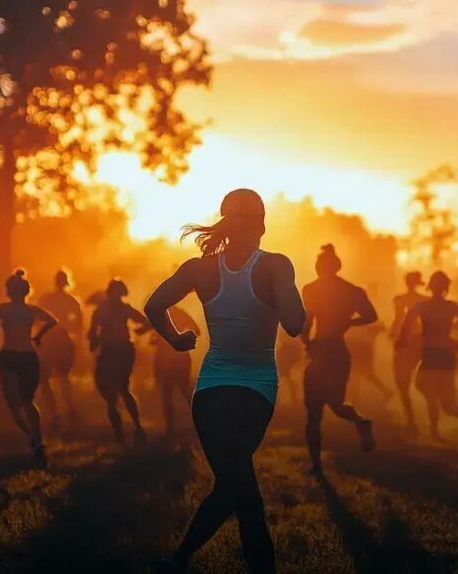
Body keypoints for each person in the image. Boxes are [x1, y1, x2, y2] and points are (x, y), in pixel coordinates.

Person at [145, 188, 305, 574]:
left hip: (210, 391)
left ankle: (178, 559)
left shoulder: (199, 268)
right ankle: (183, 559)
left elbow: (153, 305)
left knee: (234, 482)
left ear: (225, 221)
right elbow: (296, 325)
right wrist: (288, 297)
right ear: (262, 224)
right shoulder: (276, 265)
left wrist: (176, 340)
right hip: (256, 389)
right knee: (237, 485)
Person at [302, 244, 377, 477]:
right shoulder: (351, 290)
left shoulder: (311, 289)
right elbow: (371, 315)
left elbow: (307, 322)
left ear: (321, 267)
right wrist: (348, 322)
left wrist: (307, 343)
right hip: (338, 350)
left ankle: (316, 466)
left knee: (314, 414)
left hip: (322, 349)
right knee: (336, 404)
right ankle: (360, 421)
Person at [398, 271, 458, 441]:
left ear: (431, 288)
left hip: (432, 354)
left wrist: (404, 343)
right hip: (447, 355)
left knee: (427, 389)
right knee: (448, 404)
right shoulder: (452, 307)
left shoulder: (422, 307)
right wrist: (456, 341)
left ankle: (436, 430)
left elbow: (404, 329)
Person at [0, 269, 57, 465]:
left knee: (13, 404)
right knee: (28, 401)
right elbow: (53, 321)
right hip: (28, 356)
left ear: (8, 291)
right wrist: (38, 336)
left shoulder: (2, 309)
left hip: (10, 356)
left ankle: (32, 438)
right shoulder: (31, 310)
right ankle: (38, 439)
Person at [89, 278, 150, 444]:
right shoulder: (124, 309)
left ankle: (120, 433)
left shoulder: (101, 310)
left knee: (111, 395)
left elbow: (92, 332)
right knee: (123, 389)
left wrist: (93, 344)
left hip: (110, 351)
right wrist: (140, 330)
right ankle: (136, 427)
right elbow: (146, 321)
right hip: (124, 350)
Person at [37, 268, 84, 430]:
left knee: (45, 379)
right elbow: (79, 324)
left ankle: (55, 413)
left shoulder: (46, 299)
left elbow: (37, 320)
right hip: (62, 340)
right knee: (63, 378)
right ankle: (70, 411)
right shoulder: (71, 301)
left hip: (49, 340)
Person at [151, 305, 200, 434]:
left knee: (173, 392)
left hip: (174, 357)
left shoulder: (159, 312)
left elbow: (196, 330)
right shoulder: (175, 313)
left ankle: (171, 428)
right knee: (180, 392)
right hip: (175, 357)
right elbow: (197, 330)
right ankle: (172, 427)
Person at [390, 271, 427, 434]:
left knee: (402, 383)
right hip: (419, 341)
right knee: (411, 382)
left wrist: (393, 334)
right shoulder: (424, 300)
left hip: (406, 342)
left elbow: (398, 318)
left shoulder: (400, 300)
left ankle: (411, 420)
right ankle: (419, 418)